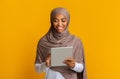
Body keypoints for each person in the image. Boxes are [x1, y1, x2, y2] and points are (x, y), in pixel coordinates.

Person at [34, 7, 87, 79]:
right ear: (51, 21)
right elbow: (37, 69)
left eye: (63, 20)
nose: (59, 24)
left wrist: (74, 65)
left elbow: (82, 68)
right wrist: (46, 64)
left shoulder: (76, 41)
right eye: (56, 20)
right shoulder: (43, 41)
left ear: (68, 21)